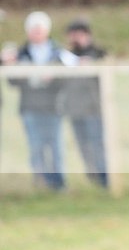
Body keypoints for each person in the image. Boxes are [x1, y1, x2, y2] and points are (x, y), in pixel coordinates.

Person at [7, 11, 78, 190]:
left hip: (53, 106)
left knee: (55, 145)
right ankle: (40, 183)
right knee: (36, 146)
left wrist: (53, 77)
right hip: (30, 107)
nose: (37, 33)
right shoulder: (21, 53)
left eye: (40, 29)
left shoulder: (58, 52)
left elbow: (69, 78)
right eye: (33, 29)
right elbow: (12, 81)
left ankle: (59, 184)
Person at [63, 19, 108, 187]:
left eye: (78, 34)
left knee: (97, 144)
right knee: (83, 146)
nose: (75, 38)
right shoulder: (65, 56)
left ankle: (105, 178)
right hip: (75, 109)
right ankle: (92, 177)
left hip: (94, 109)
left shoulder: (98, 53)